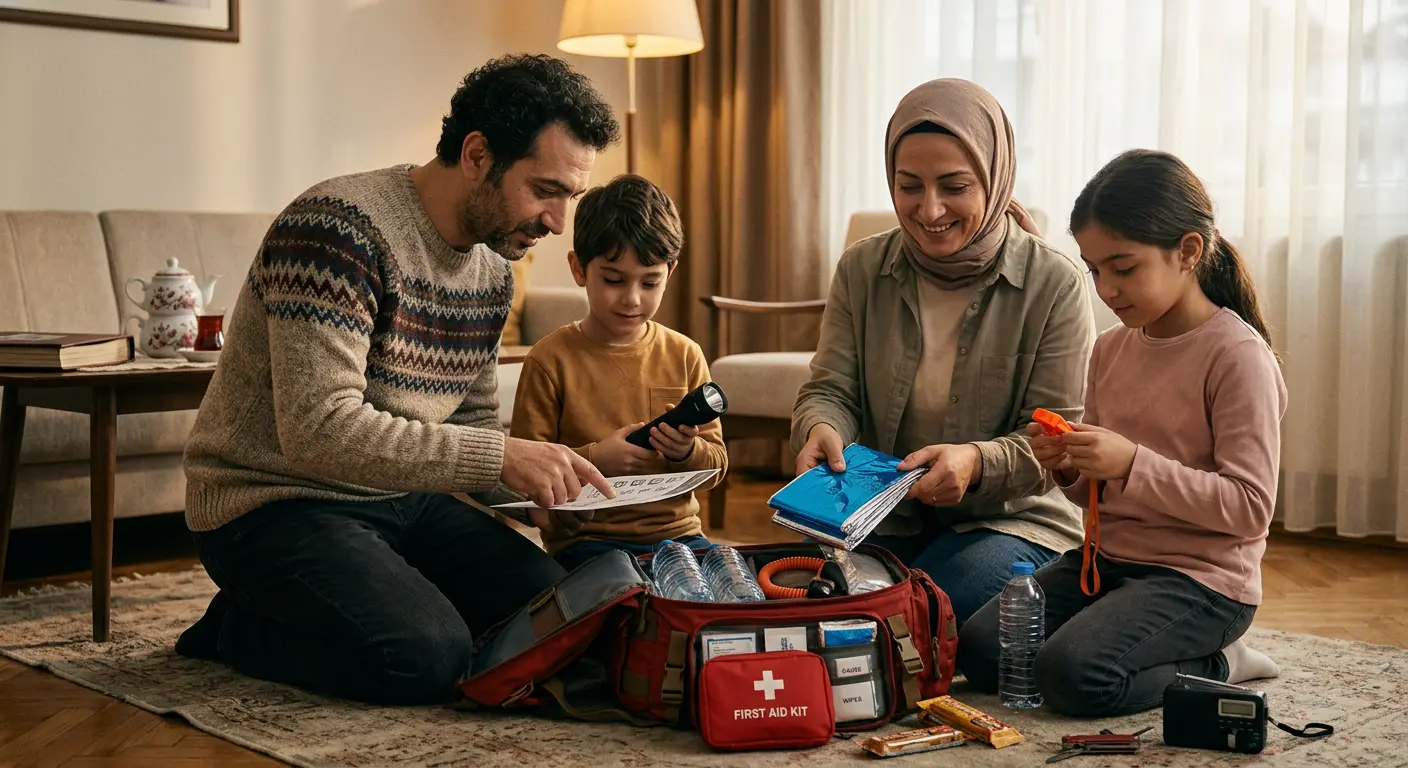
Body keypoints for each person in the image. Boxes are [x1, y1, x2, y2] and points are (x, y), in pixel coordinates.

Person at [173, 54, 623, 705]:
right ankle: (235, 627)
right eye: (546, 189)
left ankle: (343, 600)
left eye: (569, 198)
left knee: (566, 620)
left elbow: (466, 431)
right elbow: (319, 432)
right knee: (423, 658)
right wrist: (504, 454)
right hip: (271, 503)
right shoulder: (337, 230)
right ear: (476, 155)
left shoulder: (493, 271)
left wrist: (561, 481)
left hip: (400, 495)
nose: (558, 222)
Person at [957, 149, 1287, 717]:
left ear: (1188, 252)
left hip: (1201, 583)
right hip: (1109, 562)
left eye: (1124, 267)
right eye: (1094, 270)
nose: (1106, 288)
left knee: (1076, 675)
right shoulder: (1110, 348)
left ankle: (1223, 661)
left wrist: (1132, 462)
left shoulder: (1237, 357)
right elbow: (1097, 498)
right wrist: (1068, 466)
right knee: (985, 651)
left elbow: (1250, 508)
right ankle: (1125, 636)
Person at [792, 79, 1094, 626]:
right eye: (909, 186)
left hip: (1010, 520)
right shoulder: (861, 270)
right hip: (886, 514)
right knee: (818, 601)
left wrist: (975, 461)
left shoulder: (1055, 284)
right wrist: (820, 424)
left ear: (995, 178)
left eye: (954, 186)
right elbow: (830, 387)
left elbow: (1056, 447)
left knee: (918, 609)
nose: (929, 210)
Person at [510, 174, 727, 572]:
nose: (631, 299)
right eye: (613, 280)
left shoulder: (684, 354)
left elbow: (716, 467)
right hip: (588, 543)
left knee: (731, 593)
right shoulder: (549, 360)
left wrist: (687, 453)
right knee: (620, 602)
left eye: (650, 283)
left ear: (670, 273)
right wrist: (596, 459)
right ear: (579, 269)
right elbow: (526, 474)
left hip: (680, 536)